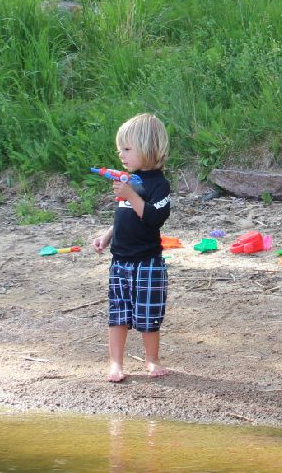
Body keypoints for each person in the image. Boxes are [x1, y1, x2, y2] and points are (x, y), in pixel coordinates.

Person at [92, 112, 171, 382]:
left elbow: (153, 217)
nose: (121, 155)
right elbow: (124, 215)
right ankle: (116, 363)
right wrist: (108, 235)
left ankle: (152, 359)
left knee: (148, 314)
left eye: (127, 149)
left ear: (148, 148)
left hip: (148, 263)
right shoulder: (130, 180)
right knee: (118, 314)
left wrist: (131, 194)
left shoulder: (158, 184)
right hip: (120, 261)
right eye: (119, 150)